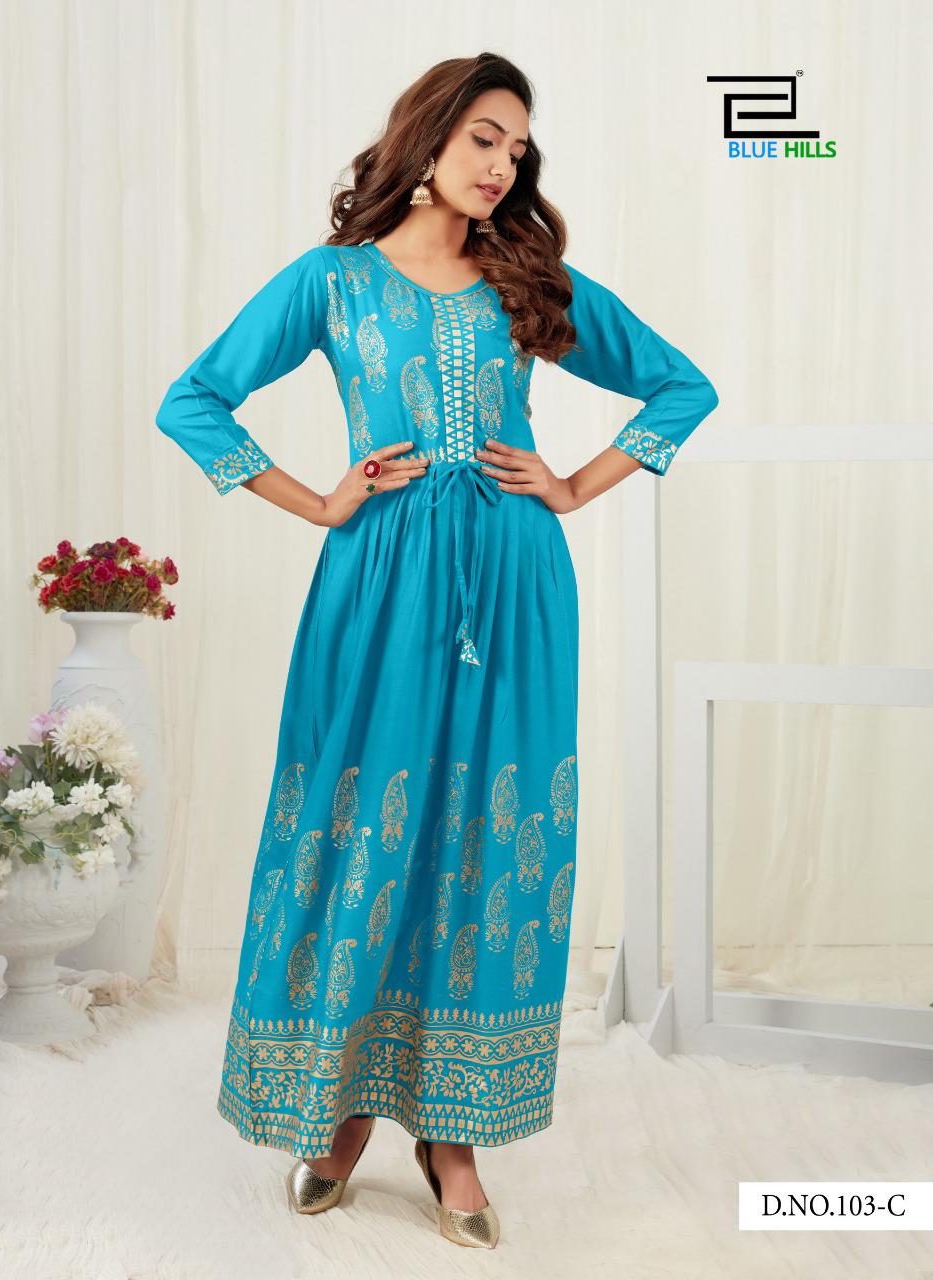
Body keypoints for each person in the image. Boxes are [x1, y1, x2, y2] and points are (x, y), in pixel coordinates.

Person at [155, 51, 718, 1251]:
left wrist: (572, 484)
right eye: (484, 138)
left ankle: (451, 1131)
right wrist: (320, 501)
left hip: (513, 581)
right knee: (369, 822)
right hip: (380, 581)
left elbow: (682, 387)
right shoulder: (333, 280)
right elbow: (192, 400)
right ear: (428, 137)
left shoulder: (527, 280)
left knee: (483, 834)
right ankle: (344, 1105)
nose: (503, 164)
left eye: (518, 147)